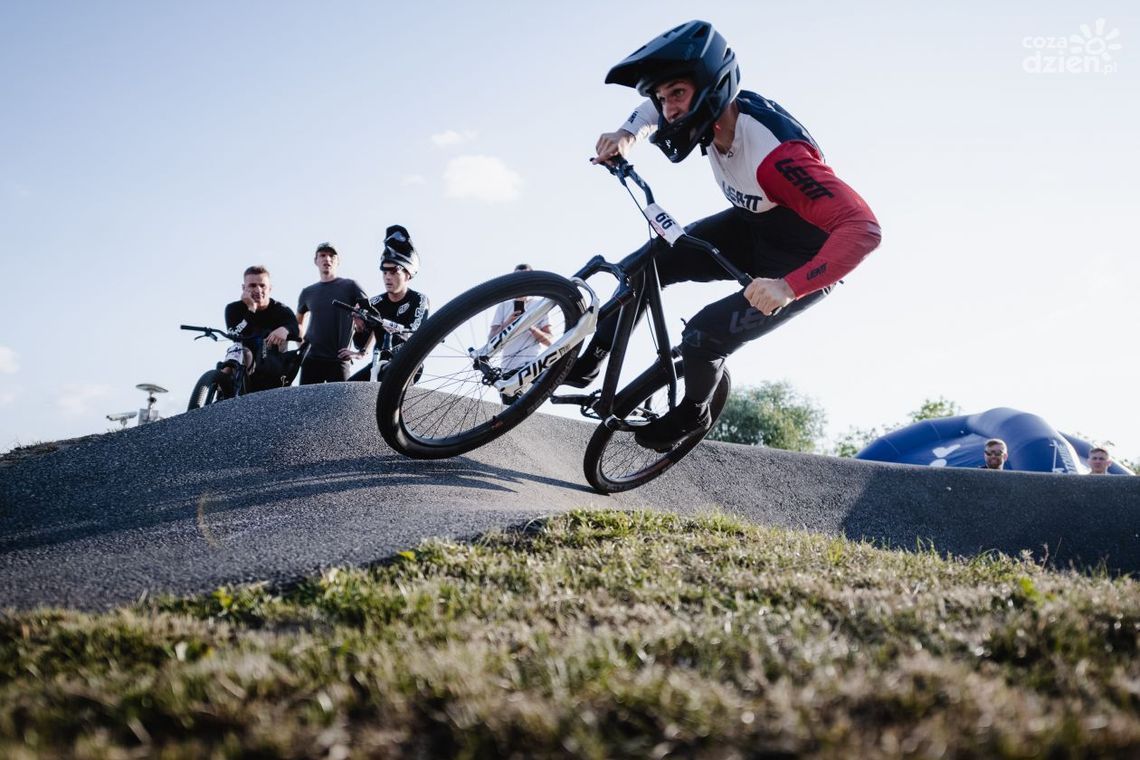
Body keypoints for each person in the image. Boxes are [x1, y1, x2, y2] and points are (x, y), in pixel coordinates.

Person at [563, 20, 881, 452]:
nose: (669, 108)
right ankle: (590, 361)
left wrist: (790, 286)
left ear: (712, 89)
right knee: (644, 268)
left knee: (702, 336)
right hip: (750, 228)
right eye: (662, 96)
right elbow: (657, 112)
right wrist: (626, 135)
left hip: (801, 264)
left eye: (677, 94)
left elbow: (863, 229)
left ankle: (695, 411)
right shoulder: (710, 111)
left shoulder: (777, 158)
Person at [342, 225, 430, 381]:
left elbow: (415, 332)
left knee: (388, 374)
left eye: (394, 271)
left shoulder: (419, 300)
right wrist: (360, 327)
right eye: (385, 272)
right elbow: (361, 343)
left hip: (408, 362)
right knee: (347, 390)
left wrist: (388, 326)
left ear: (408, 274)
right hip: (379, 364)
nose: (388, 277)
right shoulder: (374, 302)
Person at [296, 242, 368, 384]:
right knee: (306, 405)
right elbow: (298, 322)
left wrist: (361, 353)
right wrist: (302, 346)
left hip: (339, 359)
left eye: (331, 256)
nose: (327, 259)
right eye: (322, 255)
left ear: (338, 261)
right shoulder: (307, 292)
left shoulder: (351, 286)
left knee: (341, 405)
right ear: (316, 260)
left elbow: (372, 317)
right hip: (311, 360)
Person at [222, 266, 302, 392]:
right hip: (244, 359)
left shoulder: (281, 309)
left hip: (271, 362)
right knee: (236, 351)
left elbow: (295, 329)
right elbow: (235, 334)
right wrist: (251, 309)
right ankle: (221, 394)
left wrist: (285, 329)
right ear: (244, 288)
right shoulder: (233, 309)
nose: (258, 290)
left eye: (262, 285)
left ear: (269, 288)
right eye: (252, 285)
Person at [488, 264, 555, 404]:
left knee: (530, 403)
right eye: (517, 277)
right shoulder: (504, 306)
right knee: (510, 409)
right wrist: (508, 323)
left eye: (525, 277)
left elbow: (550, 341)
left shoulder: (540, 305)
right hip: (508, 367)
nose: (521, 280)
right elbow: (491, 340)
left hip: (533, 364)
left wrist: (528, 325)